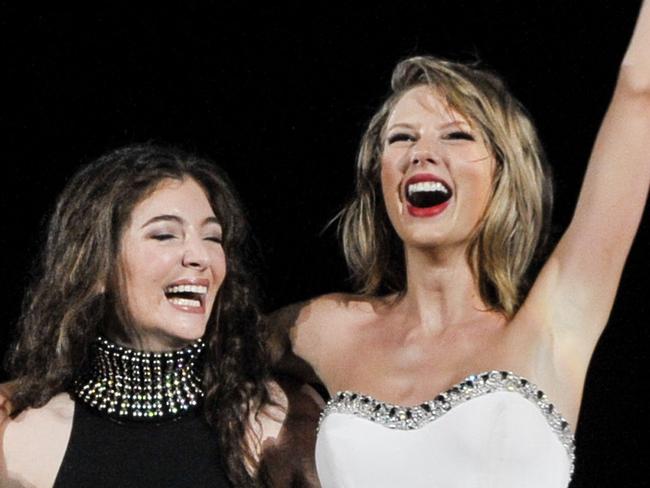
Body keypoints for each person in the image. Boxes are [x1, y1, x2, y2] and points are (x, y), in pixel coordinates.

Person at [271, 3, 650, 487]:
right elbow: (204, 356)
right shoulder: (328, 328)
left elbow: (639, 93)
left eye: (456, 135)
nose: (421, 153)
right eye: (401, 138)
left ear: (502, 172)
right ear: (378, 176)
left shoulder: (553, 327)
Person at [0, 144, 321, 487]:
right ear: (94, 267)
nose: (201, 256)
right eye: (165, 235)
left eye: (213, 237)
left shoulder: (275, 418)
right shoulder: (22, 437)